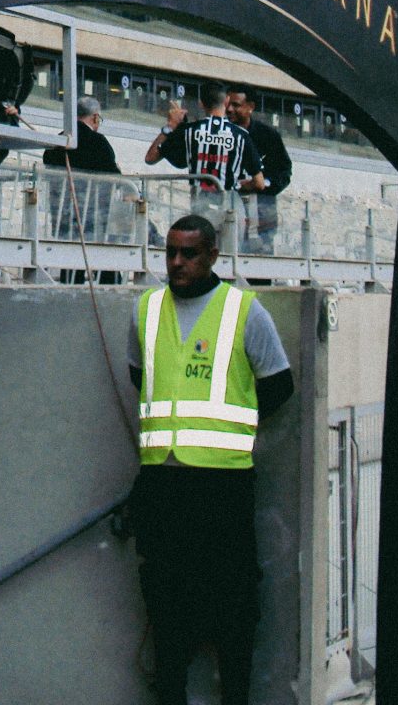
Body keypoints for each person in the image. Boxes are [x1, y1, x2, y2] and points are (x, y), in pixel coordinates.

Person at [126, 215, 294, 705]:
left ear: (213, 255)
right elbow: (142, 378)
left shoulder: (244, 311)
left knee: (233, 606)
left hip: (223, 485)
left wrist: (228, 429)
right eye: (170, 253)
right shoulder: (145, 310)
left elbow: (278, 385)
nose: (177, 263)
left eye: (189, 254)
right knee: (166, 601)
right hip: (163, 483)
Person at [145, 82, 256, 209]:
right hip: (229, 208)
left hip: (199, 206)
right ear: (227, 101)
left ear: (201, 104)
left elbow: (150, 158)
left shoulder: (189, 131)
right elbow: (259, 183)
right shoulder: (241, 135)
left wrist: (170, 126)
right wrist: (237, 184)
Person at [40, 95, 119, 238]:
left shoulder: (58, 141)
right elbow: (115, 178)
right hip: (89, 220)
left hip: (60, 218)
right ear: (95, 117)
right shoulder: (98, 142)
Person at [227, 88, 291, 255]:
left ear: (250, 107)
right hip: (228, 215)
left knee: (260, 269)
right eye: (227, 104)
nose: (229, 109)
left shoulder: (268, 136)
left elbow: (284, 172)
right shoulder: (221, 134)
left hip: (261, 219)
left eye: (236, 105)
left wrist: (261, 184)